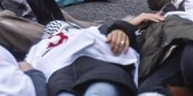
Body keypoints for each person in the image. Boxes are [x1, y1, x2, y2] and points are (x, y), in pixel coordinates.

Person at [26, 13, 162, 96]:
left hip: (58, 72)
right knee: (99, 91)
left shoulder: (38, 49)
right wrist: (129, 24)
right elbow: (115, 29)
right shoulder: (86, 32)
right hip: (99, 63)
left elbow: (28, 71)